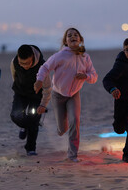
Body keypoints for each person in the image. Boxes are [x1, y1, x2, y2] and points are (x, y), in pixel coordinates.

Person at [34, 27, 98, 162]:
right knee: (62, 129)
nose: (73, 37)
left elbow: (94, 77)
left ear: (80, 39)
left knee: (75, 121)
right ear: (65, 41)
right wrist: (39, 80)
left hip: (74, 95)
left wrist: (85, 76)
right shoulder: (59, 56)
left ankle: (72, 155)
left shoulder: (85, 57)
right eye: (69, 36)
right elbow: (45, 67)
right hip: (58, 95)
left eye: (75, 35)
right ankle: (61, 128)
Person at [10, 45, 51, 156]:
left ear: (33, 57)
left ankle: (30, 148)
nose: (24, 66)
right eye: (21, 63)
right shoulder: (14, 61)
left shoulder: (43, 66)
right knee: (15, 116)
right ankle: (24, 126)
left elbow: (47, 88)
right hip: (20, 93)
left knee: (34, 121)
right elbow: (14, 75)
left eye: (27, 63)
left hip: (36, 95)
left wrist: (43, 104)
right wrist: (19, 87)